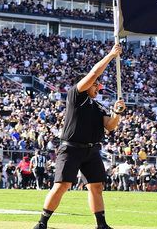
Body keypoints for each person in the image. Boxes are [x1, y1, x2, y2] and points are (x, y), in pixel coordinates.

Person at [34, 43, 126, 229]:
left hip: (91, 150)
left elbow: (110, 126)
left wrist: (118, 113)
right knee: (62, 185)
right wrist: (110, 55)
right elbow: (93, 73)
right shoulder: (75, 96)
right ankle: (42, 223)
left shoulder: (98, 106)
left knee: (96, 186)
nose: (98, 87)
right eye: (95, 85)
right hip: (71, 147)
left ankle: (101, 225)